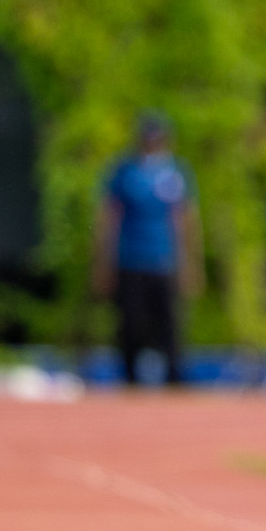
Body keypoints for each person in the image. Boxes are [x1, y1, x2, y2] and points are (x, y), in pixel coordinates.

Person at [93, 113, 203, 385]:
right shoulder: (124, 170)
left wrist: (190, 264)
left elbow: (186, 220)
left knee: (170, 326)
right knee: (131, 325)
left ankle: (174, 381)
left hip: (164, 260)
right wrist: (102, 264)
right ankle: (130, 381)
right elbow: (108, 218)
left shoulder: (177, 172)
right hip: (130, 259)